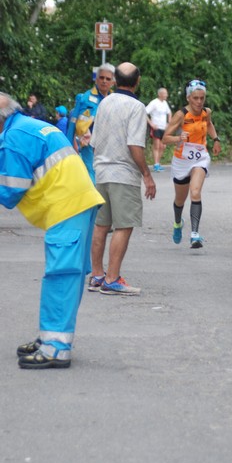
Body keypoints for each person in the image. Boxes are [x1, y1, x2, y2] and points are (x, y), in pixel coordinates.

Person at [0, 92, 104, 369]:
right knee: (66, 276)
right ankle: (51, 337)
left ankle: (56, 347)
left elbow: (10, 191)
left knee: (61, 275)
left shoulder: (14, 139)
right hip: (78, 203)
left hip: (67, 206)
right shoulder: (28, 126)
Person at [89, 62, 156, 295]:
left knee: (101, 224)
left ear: (115, 81)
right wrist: (147, 175)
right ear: (138, 81)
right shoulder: (137, 107)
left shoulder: (104, 102)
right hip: (123, 174)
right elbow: (135, 145)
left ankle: (97, 275)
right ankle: (112, 278)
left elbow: (94, 141)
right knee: (124, 225)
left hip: (102, 171)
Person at [162, 79, 221, 249]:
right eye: (195, 98)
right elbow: (165, 137)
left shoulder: (206, 112)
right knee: (180, 200)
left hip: (200, 157)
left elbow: (209, 125)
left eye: (202, 98)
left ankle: (195, 234)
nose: (199, 102)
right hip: (181, 161)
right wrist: (177, 138)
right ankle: (178, 222)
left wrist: (215, 139)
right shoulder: (181, 115)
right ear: (188, 98)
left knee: (195, 193)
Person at [67, 63, 115, 182]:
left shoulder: (114, 98)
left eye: (108, 79)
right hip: (90, 143)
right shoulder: (86, 98)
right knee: (92, 174)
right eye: (101, 77)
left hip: (109, 144)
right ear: (96, 79)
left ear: (113, 82)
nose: (104, 81)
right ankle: (94, 200)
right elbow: (78, 124)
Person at [146, 87, 172, 172]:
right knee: (156, 146)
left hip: (164, 128)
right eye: (165, 93)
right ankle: (156, 164)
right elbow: (144, 113)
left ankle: (158, 163)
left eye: (166, 93)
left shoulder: (165, 103)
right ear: (160, 94)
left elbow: (169, 113)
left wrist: (169, 122)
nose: (166, 95)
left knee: (163, 146)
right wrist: (151, 124)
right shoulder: (154, 103)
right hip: (156, 127)